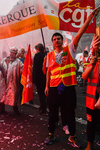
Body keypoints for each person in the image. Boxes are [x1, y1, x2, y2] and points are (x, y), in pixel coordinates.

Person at [44, 8, 100, 148]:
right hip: (53, 88)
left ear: (62, 40)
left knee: (70, 113)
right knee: (52, 113)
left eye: (58, 38)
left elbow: (80, 32)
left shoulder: (70, 49)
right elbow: (49, 73)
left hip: (68, 88)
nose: (56, 40)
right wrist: (46, 86)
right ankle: (51, 133)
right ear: (52, 42)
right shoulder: (49, 56)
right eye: (54, 39)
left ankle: (72, 136)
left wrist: (91, 17)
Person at [82, 35, 100, 150]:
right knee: (91, 123)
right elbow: (84, 76)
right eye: (96, 49)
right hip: (92, 100)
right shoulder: (91, 63)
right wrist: (91, 65)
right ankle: (90, 144)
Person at [0, 47, 24, 116]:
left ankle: (15, 110)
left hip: (13, 82)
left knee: (14, 96)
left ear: (16, 54)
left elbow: (22, 70)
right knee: (2, 95)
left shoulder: (18, 62)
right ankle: (1, 109)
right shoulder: (4, 60)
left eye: (14, 53)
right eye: (11, 52)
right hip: (4, 82)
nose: (12, 54)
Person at [32, 43, 47, 115]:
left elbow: (35, 69)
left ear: (38, 49)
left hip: (39, 78)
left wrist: (34, 79)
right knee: (45, 93)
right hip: (46, 77)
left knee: (41, 94)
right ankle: (43, 106)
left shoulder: (37, 56)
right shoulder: (46, 55)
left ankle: (43, 108)